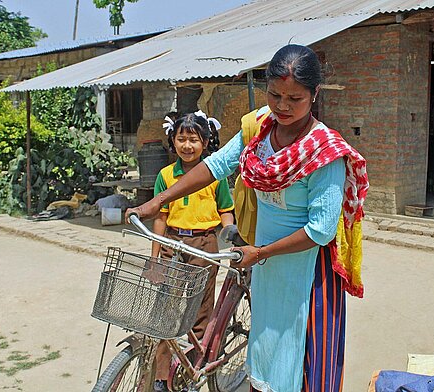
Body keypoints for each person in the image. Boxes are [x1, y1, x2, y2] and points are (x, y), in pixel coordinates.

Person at [127, 44, 369, 392]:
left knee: (303, 361)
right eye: (275, 95)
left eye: (295, 98)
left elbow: (320, 230)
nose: (283, 106)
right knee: (265, 351)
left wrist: (261, 253)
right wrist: (158, 201)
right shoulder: (258, 129)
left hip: (307, 272)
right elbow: (216, 165)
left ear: (314, 94)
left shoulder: (324, 152)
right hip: (266, 265)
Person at [150, 111, 234, 392]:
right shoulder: (165, 175)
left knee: (201, 309)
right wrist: (155, 259)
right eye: (181, 139)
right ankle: (162, 377)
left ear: (206, 142)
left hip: (204, 244)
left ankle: (191, 371)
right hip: (172, 244)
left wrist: (230, 232)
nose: (187, 146)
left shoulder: (215, 175)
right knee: (165, 311)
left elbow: (225, 210)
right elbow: (160, 217)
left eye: (194, 140)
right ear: (172, 141)